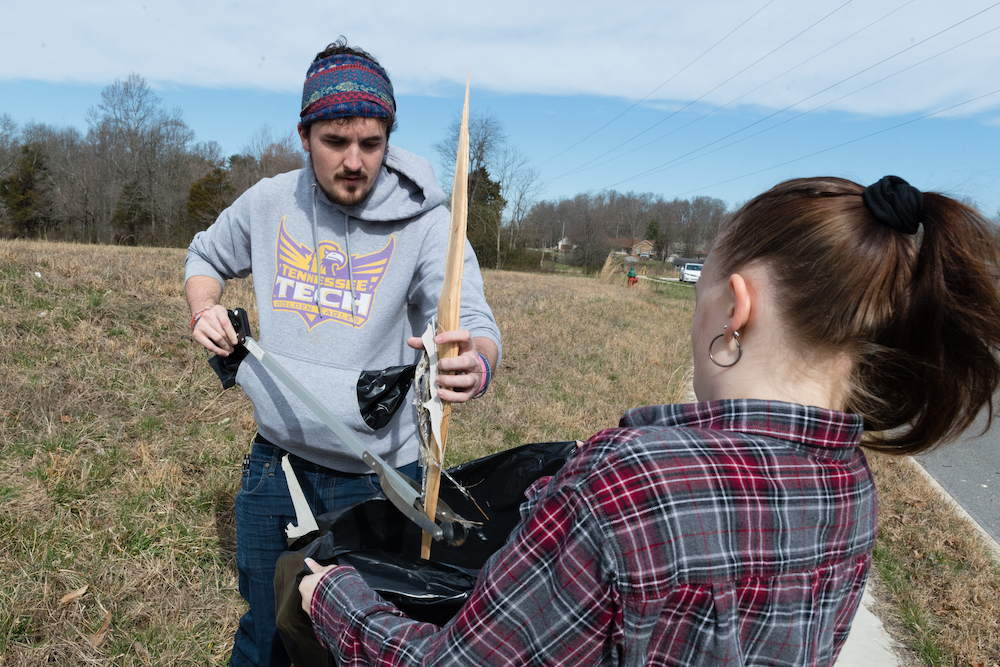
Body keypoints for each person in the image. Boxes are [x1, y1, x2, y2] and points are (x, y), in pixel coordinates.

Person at [298, 175, 1000, 666]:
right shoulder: (850, 482)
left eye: (702, 300)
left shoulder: (629, 487)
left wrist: (336, 596)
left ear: (736, 307)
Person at [184, 39, 501, 667]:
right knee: (265, 631)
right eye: (335, 141)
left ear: (388, 135)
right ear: (304, 135)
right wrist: (205, 308)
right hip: (277, 467)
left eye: (371, 143)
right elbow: (205, 258)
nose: (355, 161)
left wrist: (477, 362)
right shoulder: (269, 202)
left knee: (365, 643)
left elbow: (472, 321)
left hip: (381, 481)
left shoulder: (428, 221)